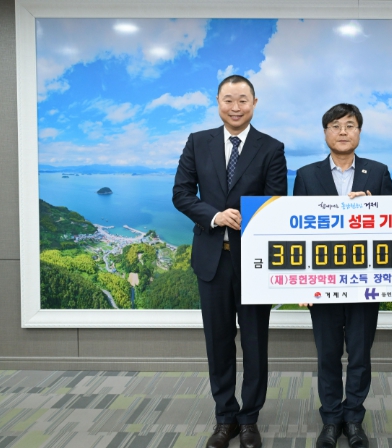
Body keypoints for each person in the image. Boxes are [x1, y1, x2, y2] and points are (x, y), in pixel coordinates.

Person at [172, 75, 287, 448]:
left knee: (254, 343)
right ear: (217, 102)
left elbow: (275, 202)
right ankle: (225, 418)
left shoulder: (272, 147)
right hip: (212, 260)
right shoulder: (197, 141)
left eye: (242, 100)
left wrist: (240, 217)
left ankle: (249, 418)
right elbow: (181, 193)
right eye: (228, 100)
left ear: (254, 103)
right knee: (218, 342)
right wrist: (214, 216)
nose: (235, 107)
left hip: (253, 263)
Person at [293, 104, 392, 448]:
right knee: (327, 354)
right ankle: (330, 419)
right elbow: (296, 231)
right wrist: (302, 281)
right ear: (325, 132)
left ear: (359, 132)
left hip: (366, 281)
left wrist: (373, 203)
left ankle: (353, 419)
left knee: (360, 355)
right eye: (335, 126)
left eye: (350, 125)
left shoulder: (377, 172)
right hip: (322, 282)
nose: (342, 132)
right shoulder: (306, 175)